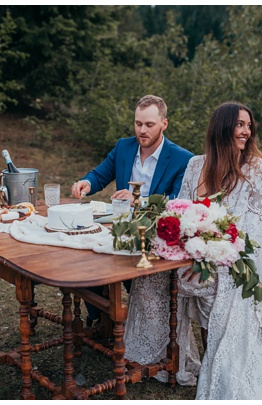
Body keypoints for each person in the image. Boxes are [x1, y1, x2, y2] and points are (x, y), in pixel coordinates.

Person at [124, 101, 262, 400]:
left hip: (229, 260)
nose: (246, 131)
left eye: (248, 125)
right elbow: (180, 210)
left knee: (207, 283)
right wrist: (180, 242)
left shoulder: (254, 168)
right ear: (221, 128)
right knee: (148, 274)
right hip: (190, 252)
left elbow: (253, 231)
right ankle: (158, 359)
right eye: (239, 124)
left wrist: (208, 250)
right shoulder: (196, 164)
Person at [72, 95, 196, 325]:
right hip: (119, 228)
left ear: (164, 124)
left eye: (149, 124)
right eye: (138, 124)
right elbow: (100, 174)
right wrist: (86, 183)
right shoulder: (124, 146)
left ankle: (139, 318)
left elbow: (178, 202)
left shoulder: (183, 158)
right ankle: (100, 318)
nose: (142, 130)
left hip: (155, 235)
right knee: (83, 257)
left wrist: (138, 200)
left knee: (119, 266)